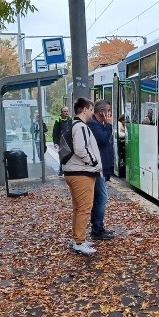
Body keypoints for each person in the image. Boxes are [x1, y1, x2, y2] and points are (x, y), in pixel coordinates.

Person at [61, 98, 102, 255]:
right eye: (91, 109)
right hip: (81, 173)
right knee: (85, 208)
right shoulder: (81, 127)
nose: (92, 113)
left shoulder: (72, 125)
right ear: (85, 110)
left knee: (78, 208)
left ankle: (78, 238)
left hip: (72, 171)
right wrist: (95, 163)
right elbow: (80, 149)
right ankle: (79, 242)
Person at [87, 99, 115, 241]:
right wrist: (109, 125)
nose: (110, 114)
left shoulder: (98, 124)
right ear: (102, 112)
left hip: (101, 167)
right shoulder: (93, 125)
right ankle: (97, 229)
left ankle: (98, 227)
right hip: (98, 168)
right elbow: (103, 140)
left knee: (98, 198)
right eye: (108, 111)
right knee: (102, 198)